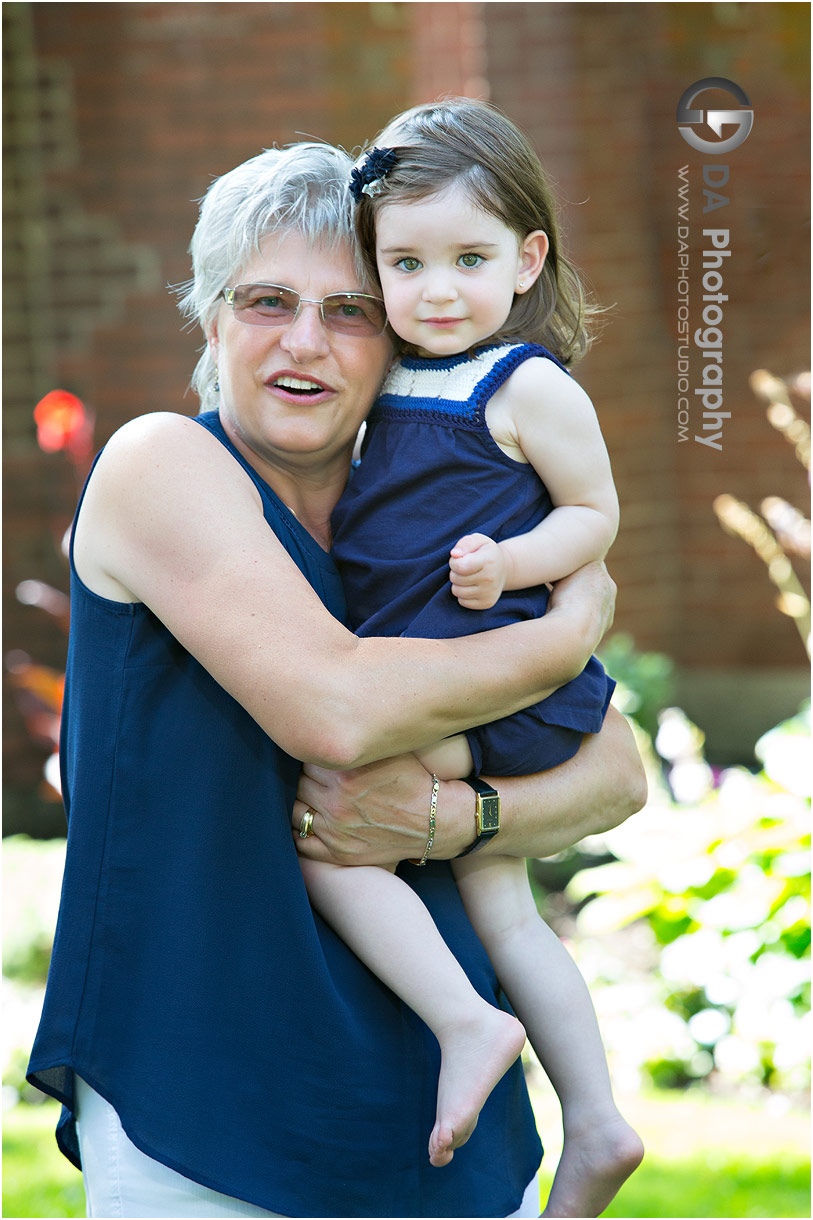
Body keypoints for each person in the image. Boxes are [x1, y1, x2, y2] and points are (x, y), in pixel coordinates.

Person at [26, 139, 645, 1220]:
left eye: (350, 310)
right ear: (210, 316)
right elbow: (338, 706)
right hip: (208, 1099)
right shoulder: (162, 464)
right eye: (267, 300)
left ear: (396, 335)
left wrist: (459, 815)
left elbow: (619, 773)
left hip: (439, 1108)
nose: (304, 341)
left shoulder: (419, 518)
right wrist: (560, 633)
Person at [294, 99, 642, 1217]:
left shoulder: (524, 384)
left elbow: (594, 513)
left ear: (528, 257)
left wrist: (517, 557)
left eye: (469, 259)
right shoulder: (386, 378)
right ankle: (594, 1121)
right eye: (406, 262)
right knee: (506, 906)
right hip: (446, 668)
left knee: (339, 825)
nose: (436, 290)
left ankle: (465, 1021)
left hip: (495, 666)